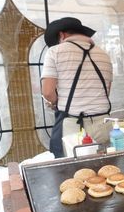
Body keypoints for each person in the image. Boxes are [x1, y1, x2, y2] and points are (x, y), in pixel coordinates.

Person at [41, 17, 113, 158]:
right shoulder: (104, 54)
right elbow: (106, 91)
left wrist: (55, 102)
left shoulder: (55, 52)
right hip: (104, 124)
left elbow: (47, 92)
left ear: (61, 35)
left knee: (73, 172)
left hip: (74, 127)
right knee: (104, 168)